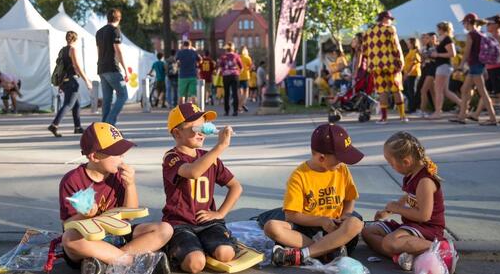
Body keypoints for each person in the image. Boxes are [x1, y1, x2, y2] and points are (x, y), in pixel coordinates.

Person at [60, 122, 173, 274]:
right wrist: (84, 215)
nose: (122, 158)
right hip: (89, 239)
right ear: (94, 156)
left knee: (165, 229)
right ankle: (130, 262)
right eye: (116, 153)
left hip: (117, 235)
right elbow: (67, 224)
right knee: (69, 239)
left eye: (122, 153)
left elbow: (130, 216)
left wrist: (130, 185)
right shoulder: (72, 180)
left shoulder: (118, 176)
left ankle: (107, 263)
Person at [264, 123, 364, 266]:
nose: (342, 162)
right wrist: (321, 221)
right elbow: (291, 215)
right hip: (307, 230)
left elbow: (349, 198)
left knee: (355, 223)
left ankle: (305, 254)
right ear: (322, 158)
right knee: (271, 227)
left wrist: (346, 215)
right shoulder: (299, 176)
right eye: (339, 158)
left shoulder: (342, 169)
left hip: (336, 229)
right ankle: (328, 251)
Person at [362, 131, 458, 273]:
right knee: (368, 232)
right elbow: (409, 197)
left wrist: (398, 209)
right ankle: (403, 257)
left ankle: (441, 250)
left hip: (428, 229)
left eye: (391, 163)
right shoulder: (411, 174)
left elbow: (424, 216)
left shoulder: (425, 181)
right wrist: (389, 211)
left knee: (390, 242)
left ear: (406, 161)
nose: (391, 166)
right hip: (411, 226)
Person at [163, 103, 242, 273]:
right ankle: (176, 249)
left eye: (204, 126)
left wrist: (220, 213)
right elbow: (193, 172)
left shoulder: (210, 158)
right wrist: (220, 146)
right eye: (195, 127)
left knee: (225, 253)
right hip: (180, 224)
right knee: (195, 264)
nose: (202, 131)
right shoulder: (172, 157)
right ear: (177, 133)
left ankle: (208, 245)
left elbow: (236, 187)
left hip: (208, 223)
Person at [450, 13, 497, 125]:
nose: (464, 25)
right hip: (477, 66)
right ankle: (462, 116)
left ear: (469, 22)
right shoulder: (480, 34)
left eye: (464, 23)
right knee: (464, 89)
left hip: (475, 66)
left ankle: (493, 118)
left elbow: (467, 52)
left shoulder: (471, 34)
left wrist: (461, 66)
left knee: (483, 92)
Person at [469, 15, 500, 124]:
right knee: (486, 92)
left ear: (496, 25)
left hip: (498, 67)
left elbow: (493, 54)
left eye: (489, 24)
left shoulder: (497, 35)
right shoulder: (493, 35)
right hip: (492, 67)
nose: (487, 25)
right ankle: (476, 114)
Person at [363, 11, 408, 123]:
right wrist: (401, 61)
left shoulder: (368, 32)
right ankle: (402, 116)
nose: (391, 21)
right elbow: (396, 47)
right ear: (384, 18)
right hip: (390, 64)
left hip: (376, 66)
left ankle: (384, 118)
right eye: (390, 19)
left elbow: (365, 51)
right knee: (396, 89)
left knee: (382, 90)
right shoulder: (390, 29)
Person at [48, 31, 93, 138]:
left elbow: (60, 68)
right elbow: (77, 66)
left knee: (77, 104)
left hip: (64, 81)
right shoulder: (72, 49)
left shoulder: (62, 50)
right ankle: (54, 125)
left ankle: (77, 127)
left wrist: (60, 84)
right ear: (75, 39)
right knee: (68, 104)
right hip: (72, 81)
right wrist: (87, 80)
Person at [96, 8, 128, 126]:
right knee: (123, 95)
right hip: (113, 68)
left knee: (107, 99)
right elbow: (118, 51)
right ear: (119, 18)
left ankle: (104, 126)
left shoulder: (99, 32)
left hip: (101, 68)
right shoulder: (115, 31)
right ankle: (110, 122)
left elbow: (99, 51)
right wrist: (125, 70)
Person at [428, 22, 461, 119]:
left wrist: (437, 55)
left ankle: (438, 112)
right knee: (445, 91)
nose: (437, 30)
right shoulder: (443, 39)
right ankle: (463, 105)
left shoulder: (447, 39)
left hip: (443, 66)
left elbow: (452, 53)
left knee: (438, 90)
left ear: (442, 29)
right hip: (442, 66)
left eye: (438, 28)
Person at [217, 42, 242, 116]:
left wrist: (223, 72)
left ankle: (226, 111)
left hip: (226, 76)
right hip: (235, 75)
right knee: (235, 94)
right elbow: (241, 67)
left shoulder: (223, 57)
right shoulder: (236, 56)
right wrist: (238, 72)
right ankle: (235, 111)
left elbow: (220, 67)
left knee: (226, 94)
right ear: (233, 48)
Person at [418, 33, 437, 118]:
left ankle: (422, 110)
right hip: (426, 69)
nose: (426, 39)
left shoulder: (436, 47)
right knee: (432, 91)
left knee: (423, 90)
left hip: (432, 69)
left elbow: (433, 57)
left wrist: (424, 55)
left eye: (427, 38)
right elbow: (423, 59)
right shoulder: (425, 48)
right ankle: (438, 110)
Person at [402, 38, 421, 114]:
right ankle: (412, 106)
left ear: (413, 43)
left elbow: (414, 63)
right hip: (408, 74)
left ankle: (413, 108)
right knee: (406, 90)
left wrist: (408, 73)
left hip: (413, 74)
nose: (407, 44)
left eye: (409, 43)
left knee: (411, 91)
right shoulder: (410, 51)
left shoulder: (415, 52)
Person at [238, 46, 252, 112]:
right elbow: (251, 67)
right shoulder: (247, 58)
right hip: (246, 76)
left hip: (238, 76)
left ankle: (239, 106)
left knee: (239, 92)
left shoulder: (237, 57)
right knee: (246, 92)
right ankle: (241, 105)